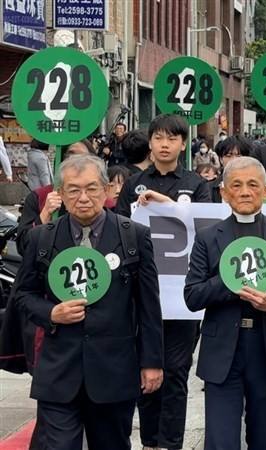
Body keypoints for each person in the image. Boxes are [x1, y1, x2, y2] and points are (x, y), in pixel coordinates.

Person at [15, 154, 163, 449]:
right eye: (73, 190)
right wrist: (51, 312)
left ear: (107, 190)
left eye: (91, 188)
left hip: (114, 369)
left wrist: (152, 362)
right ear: (61, 194)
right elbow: (22, 295)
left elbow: (149, 306)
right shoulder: (42, 239)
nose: (83, 198)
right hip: (58, 372)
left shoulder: (133, 236)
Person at [184, 156, 266, 450]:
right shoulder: (207, 238)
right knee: (221, 440)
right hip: (222, 351)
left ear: (265, 191)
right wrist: (230, 280)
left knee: (261, 437)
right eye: (236, 186)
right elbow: (192, 296)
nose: (245, 192)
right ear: (224, 192)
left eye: (253, 185)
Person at [115, 114, 210, 450]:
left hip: (183, 297)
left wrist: (168, 205)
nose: (164, 144)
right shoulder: (133, 183)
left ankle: (170, 443)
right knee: (147, 369)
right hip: (144, 294)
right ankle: (150, 441)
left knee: (175, 372)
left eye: (172, 138)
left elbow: (208, 230)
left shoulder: (197, 184)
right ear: (150, 142)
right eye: (158, 138)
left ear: (183, 144)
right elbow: (119, 229)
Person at [17, 140, 94, 256]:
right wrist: (45, 214)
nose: (75, 161)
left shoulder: (102, 201)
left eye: (82, 156)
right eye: (70, 154)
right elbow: (24, 246)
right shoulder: (39, 197)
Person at [210, 135, 252, 203]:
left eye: (239, 156)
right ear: (221, 159)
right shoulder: (209, 188)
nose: (233, 160)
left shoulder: (254, 188)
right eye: (228, 156)